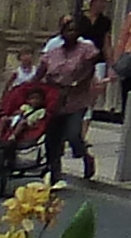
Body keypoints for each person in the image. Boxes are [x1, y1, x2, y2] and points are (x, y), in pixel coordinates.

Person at [34, 11, 104, 184]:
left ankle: (85, 157)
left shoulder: (86, 49)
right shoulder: (53, 53)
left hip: (76, 99)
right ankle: (55, 172)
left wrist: (82, 80)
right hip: (54, 99)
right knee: (52, 138)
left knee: (73, 134)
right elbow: (39, 74)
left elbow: (92, 65)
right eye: (67, 30)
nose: (70, 33)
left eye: (74, 30)